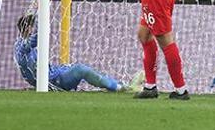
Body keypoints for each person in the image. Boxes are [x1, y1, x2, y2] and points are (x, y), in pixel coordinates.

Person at [14, 12, 142, 92]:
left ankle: (121, 85)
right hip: (54, 82)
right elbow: (35, 39)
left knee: (77, 67)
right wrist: (41, 18)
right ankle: (120, 88)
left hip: (55, 75)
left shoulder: (21, 47)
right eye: (33, 26)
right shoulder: (22, 47)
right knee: (81, 69)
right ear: (28, 28)